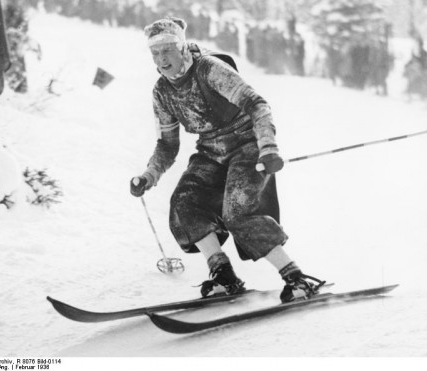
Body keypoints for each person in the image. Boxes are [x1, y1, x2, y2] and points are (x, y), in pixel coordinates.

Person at [130, 17, 324, 303]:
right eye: (155, 53)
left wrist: (268, 147)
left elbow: (256, 105)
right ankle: (224, 276)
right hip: (210, 151)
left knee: (238, 213)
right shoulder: (162, 92)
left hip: (246, 144)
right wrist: (149, 175)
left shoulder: (209, 70)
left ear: (182, 48)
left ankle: (296, 279)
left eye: (167, 51)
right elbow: (167, 144)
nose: (161, 59)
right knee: (184, 205)